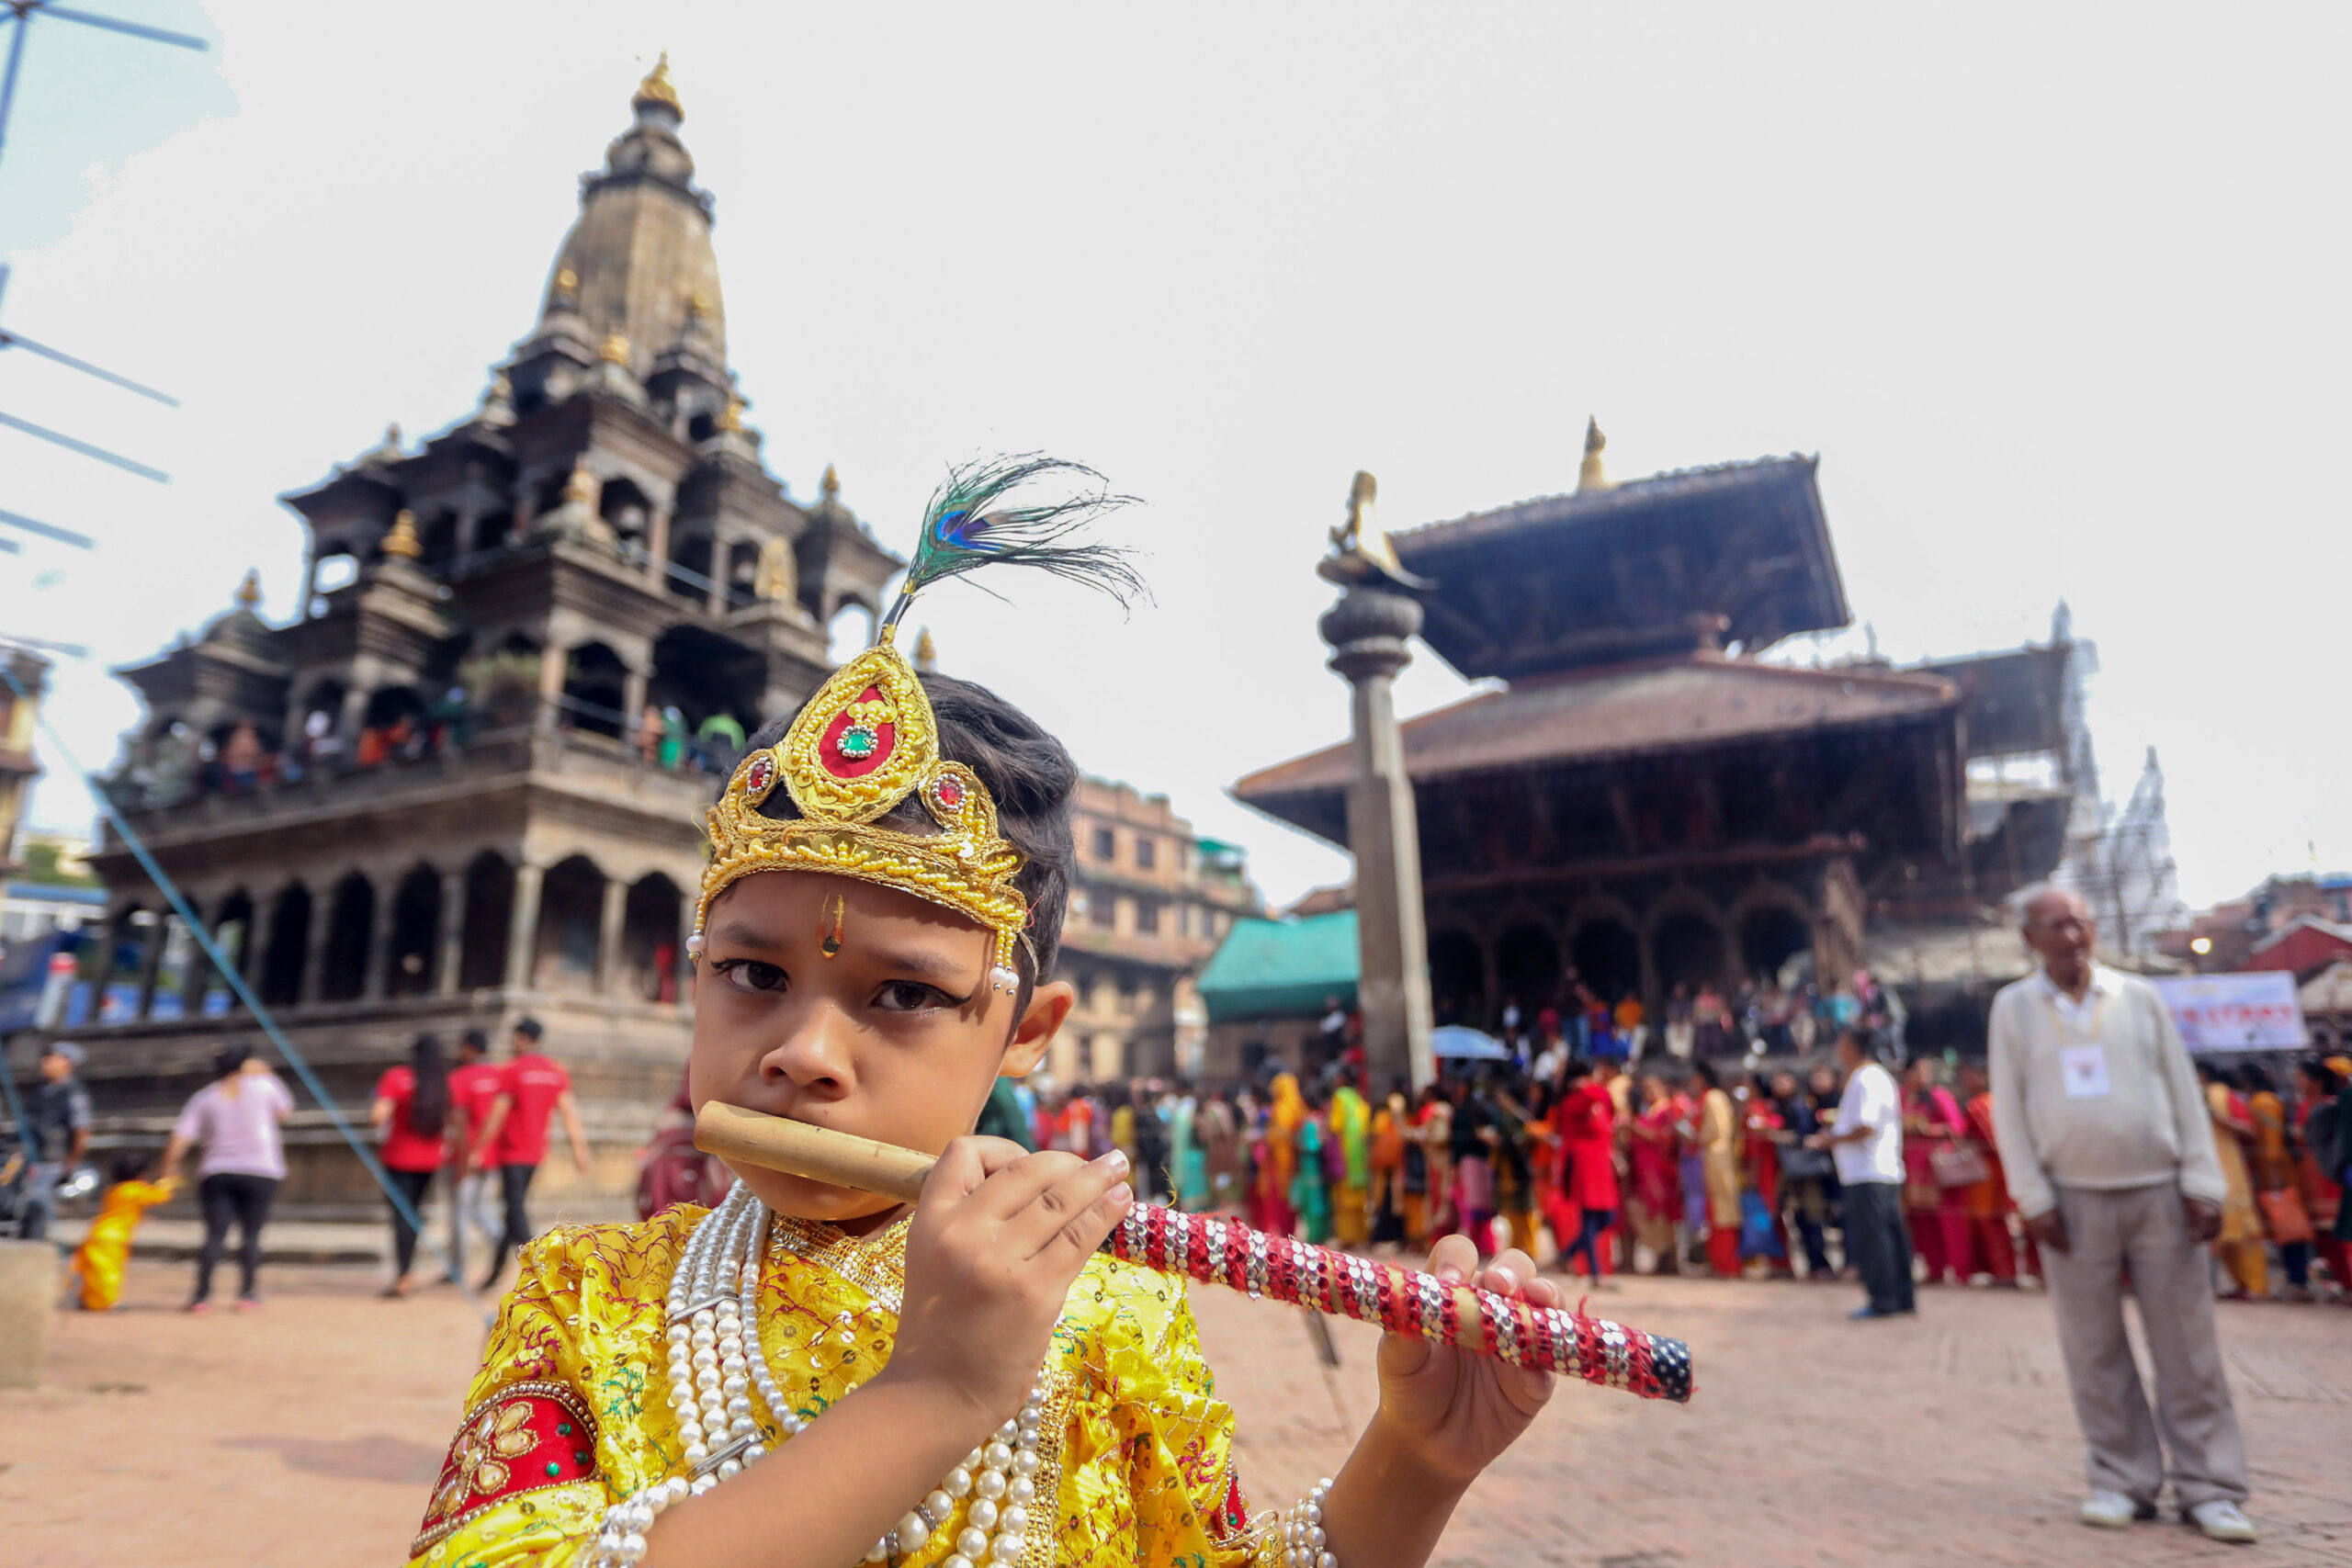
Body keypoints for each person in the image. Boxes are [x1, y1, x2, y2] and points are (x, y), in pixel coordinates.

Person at [408, 475, 1563, 1567]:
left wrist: (1414, 1461)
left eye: (904, 995)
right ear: (690, 975)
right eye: (753, 976)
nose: (803, 1054)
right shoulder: (590, 1298)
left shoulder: (1116, 1324)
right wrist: (935, 1397)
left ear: (1027, 1031)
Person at [1986, 886, 2252, 1542]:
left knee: (2188, 1345)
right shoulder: (2013, 1008)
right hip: (2070, 1199)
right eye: (2055, 925)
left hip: (2159, 1189)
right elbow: (2009, 1111)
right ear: (2029, 938)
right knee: (2092, 1346)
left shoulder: (2140, 996)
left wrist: (2203, 1181)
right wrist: (2033, 1197)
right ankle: (2120, 1479)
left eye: (2080, 922)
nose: (2071, 936)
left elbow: (2183, 1091)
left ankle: (2210, 1486)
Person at [161, 1041, 293, 1314]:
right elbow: (285, 1113)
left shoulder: (205, 1096)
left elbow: (180, 1137)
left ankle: (201, 1296)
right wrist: (267, 1073)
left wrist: (170, 1168)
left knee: (215, 1235)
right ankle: (247, 1293)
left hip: (218, 1170)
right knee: (252, 1234)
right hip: (261, 1169)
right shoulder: (266, 1086)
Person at [469, 1016, 592, 1291]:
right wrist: (580, 1152)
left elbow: (497, 1114)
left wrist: (478, 1149)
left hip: (512, 1152)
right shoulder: (555, 1071)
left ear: (522, 1039)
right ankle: (495, 1272)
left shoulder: (512, 1070)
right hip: (536, 1152)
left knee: (514, 1209)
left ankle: (540, 1265)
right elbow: (569, 1114)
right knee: (512, 1209)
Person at [1809, 1027, 1912, 1319]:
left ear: (1854, 1046)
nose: (1839, 1051)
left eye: (1842, 1044)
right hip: (1879, 1171)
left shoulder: (1865, 1078)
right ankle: (1901, 1297)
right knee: (1891, 1236)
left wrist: (1829, 1140)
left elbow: (1866, 1126)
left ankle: (1883, 1300)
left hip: (1867, 1172)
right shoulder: (1875, 1076)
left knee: (1874, 1238)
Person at [371, 1032, 454, 1297]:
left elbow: (378, 1116)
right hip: (431, 1160)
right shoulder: (444, 1082)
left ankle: (404, 1275)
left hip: (399, 1157)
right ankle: (407, 1272)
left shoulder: (397, 1077)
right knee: (415, 1214)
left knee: (401, 1217)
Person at [68, 1149, 178, 1310]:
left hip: (97, 1233)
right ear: (140, 1173)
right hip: (113, 1238)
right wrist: (168, 1180)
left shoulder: (113, 1190)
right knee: (109, 1273)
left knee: (92, 1272)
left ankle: (88, 1300)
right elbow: (161, 1196)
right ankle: (108, 1303)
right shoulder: (135, 1189)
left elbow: (123, 1211)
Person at [2198, 1061, 2266, 1300]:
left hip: (2230, 1169)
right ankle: (2238, 1284)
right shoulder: (2193, 1097)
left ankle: (2255, 1286)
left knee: (2242, 1230)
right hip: (2206, 1169)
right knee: (2219, 1232)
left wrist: (2221, 1120)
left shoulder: (2224, 1096)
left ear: (2202, 1074)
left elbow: (2250, 1129)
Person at [1955, 1063, 2029, 1286]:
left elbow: (1992, 1141)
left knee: (1991, 1224)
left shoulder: (1981, 1105)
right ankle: (2003, 1271)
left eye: (1971, 1076)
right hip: (1995, 1173)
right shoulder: (1994, 1102)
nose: (1967, 1081)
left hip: (1988, 1176)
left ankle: (2004, 1272)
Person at [1902, 1057, 1972, 1286]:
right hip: (1911, 1169)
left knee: (1949, 1221)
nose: (1924, 1075)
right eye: (1919, 1071)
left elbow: (1957, 1128)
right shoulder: (1901, 1096)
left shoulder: (1938, 1096)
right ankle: (1934, 1270)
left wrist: (1928, 1129)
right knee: (1922, 1222)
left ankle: (1960, 1272)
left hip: (1938, 1169)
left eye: (1927, 1071)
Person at [445, 1029, 505, 1285]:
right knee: (481, 1209)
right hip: (494, 1153)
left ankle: (459, 1267)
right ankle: (504, 1242)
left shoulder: (459, 1078)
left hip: (466, 1153)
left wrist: (464, 1157)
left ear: (469, 1048)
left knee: (461, 1212)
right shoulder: (500, 1076)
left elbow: (458, 1121)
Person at [2238, 1064, 2303, 1299]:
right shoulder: (2260, 1100)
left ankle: (2299, 1282)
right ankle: (2294, 1279)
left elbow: (2272, 1141)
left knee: (2288, 1228)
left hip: (2276, 1174)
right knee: (2280, 1229)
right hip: (2268, 1173)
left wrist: (2275, 1178)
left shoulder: (2264, 1102)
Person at [1553, 1060, 1618, 1285]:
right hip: (1583, 1164)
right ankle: (1595, 1273)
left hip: (1600, 1163)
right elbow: (1601, 1094)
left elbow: (1608, 1102)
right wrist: (1583, 1086)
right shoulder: (1573, 1101)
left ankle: (1568, 1253)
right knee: (1589, 1219)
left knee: (1607, 1217)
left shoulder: (1591, 1099)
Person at [22, 1040, 93, 1242]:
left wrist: (70, 1165)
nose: (45, 1063)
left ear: (66, 1062)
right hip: (31, 1158)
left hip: (53, 1162)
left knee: (38, 1209)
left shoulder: (73, 1094)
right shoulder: (40, 1091)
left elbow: (82, 1132)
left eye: (51, 1059)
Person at [2291, 1058, 2348, 1293]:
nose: (2297, 1082)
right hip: (2310, 1173)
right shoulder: (2304, 1106)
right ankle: (2343, 1283)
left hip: (2331, 1173)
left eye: (2301, 1077)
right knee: (2322, 1234)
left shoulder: (2333, 1105)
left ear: (2316, 1081)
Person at [1690, 1060, 1741, 1278]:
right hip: (1715, 1157)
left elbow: (1715, 1130)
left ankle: (1726, 1263)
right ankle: (1720, 1261)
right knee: (1717, 1210)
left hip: (1717, 1158)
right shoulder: (1715, 1097)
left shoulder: (1712, 1098)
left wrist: (1693, 1136)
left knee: (1722, 1211)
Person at [1329, 1078, 1372, 1247]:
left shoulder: (1339, 1098)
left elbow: (1335, 1126)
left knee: (1344, 1200)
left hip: (1344, 1154)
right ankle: (1361, 1236)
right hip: (1360, 1157)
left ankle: (1348, 1237)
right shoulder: (1360, 1102)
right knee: (1359, 1198)